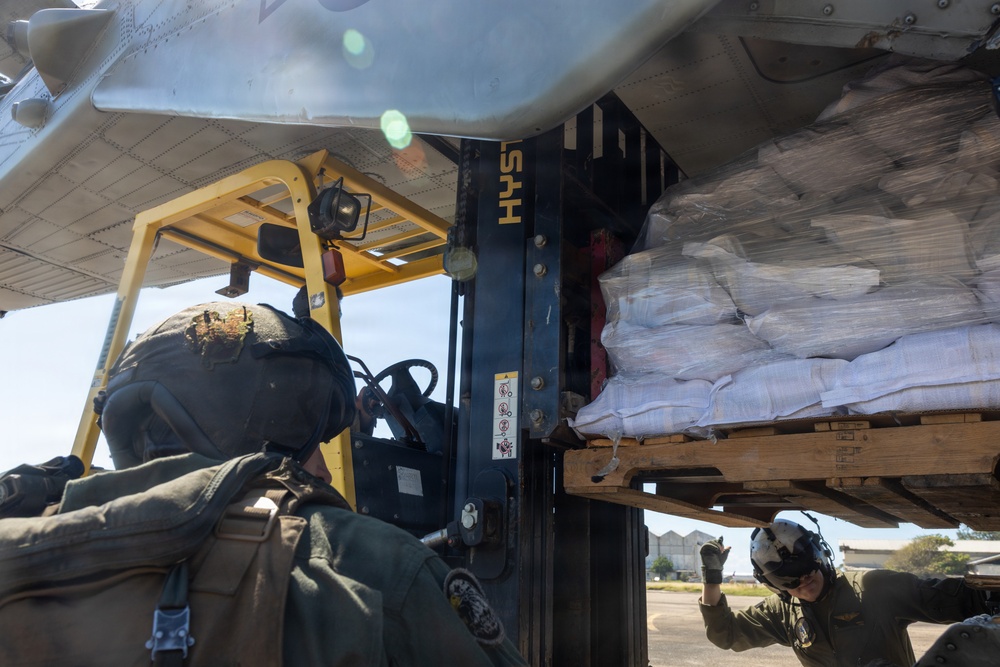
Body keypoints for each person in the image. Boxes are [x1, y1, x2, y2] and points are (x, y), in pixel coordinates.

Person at [0, 301, 526, 666]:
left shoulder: (35, 533)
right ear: (238, 419)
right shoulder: (371, 569)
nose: (318, 466)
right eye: (295, 431)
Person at [698, 518, 992, 667]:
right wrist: (712, 578)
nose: (804, 584)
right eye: (791, 583)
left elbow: (954, 598)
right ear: (775, 585)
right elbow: (725, 633)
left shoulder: (872, 588)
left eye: (808, 571)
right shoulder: (782, 611)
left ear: (820, 557)